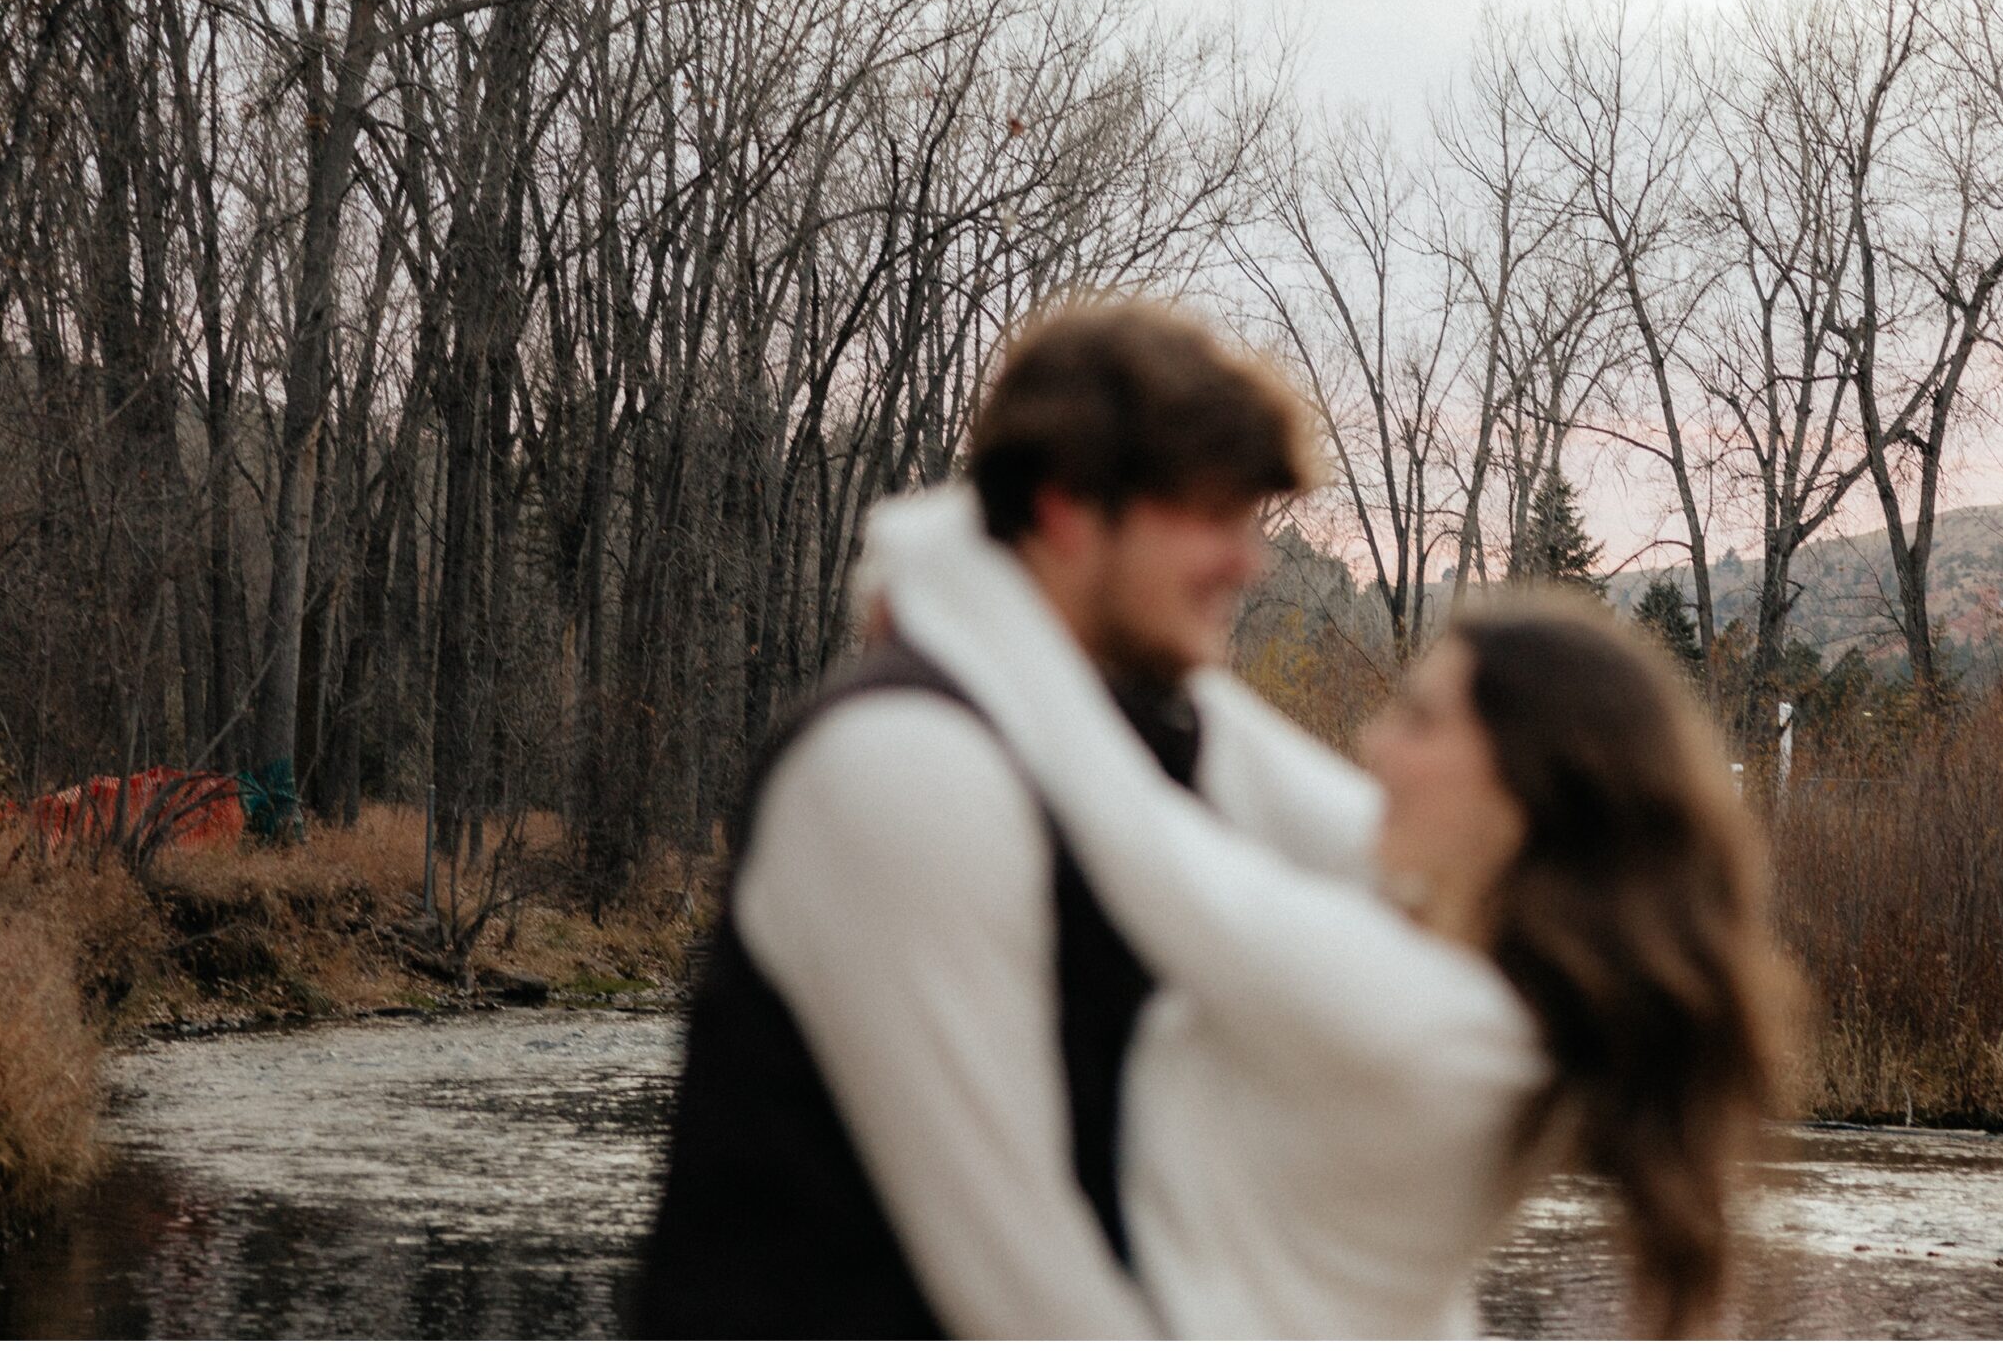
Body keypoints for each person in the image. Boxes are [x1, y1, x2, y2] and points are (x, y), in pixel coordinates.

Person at [866, 483, 1798, 1337]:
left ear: (1521, 792)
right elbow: (1237, 747)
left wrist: (937, 555)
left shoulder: (1428, 1018)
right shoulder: (1508, 957)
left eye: (1421, 720)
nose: (1375, 742)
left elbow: (1121, 814)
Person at [635, 300, 1368, 1337]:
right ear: (1068, 506)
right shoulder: (899, 766)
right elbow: (1016, 1280)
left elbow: (1402, 862)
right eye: (1210, 517)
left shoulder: (1128, 730)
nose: (1246, 563)